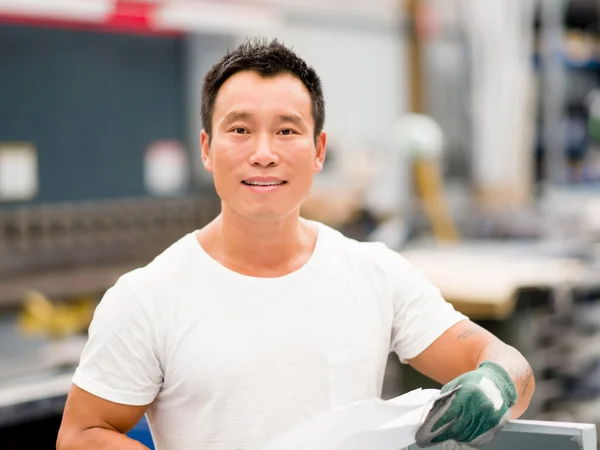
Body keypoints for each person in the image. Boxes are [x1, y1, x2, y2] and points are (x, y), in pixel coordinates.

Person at [56, 38, 535, 450]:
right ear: (206, 148)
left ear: (319, 150)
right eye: (240, 130)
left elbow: (509, 366)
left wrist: (495, 384)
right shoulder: (148, 297)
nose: (263, 154)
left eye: (286, 131)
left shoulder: (375, 274)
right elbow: (81, 434)